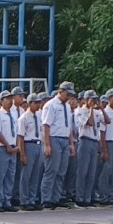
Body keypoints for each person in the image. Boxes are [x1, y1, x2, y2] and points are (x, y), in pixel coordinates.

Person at [41, 81, 75, 209]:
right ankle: (46, 198)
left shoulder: (66, 106)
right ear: (61, 91)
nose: (69, 97)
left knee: (61, 171)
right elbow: (46, 125)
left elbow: (69, 126)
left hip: (64, 139)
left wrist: (71, 143)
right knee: (51, 170)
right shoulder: (51, 105)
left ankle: (56, 197)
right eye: (68, 93)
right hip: (54, 138)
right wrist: (47, 144)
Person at [0, 91, 20, 212]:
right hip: (1, 148)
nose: (10, 101)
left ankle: (7, 201)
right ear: (1, 101)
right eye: (7, 99)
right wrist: (7, 145)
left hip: (12, 148)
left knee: (9, 177)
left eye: (11, 98)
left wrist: (15, 145)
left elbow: (16, 132)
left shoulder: (13, 115)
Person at [18, 93, 45, 210]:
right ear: (29, 103)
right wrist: (23, 154)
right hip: (28, 145)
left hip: (38, 144)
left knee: (36, 174)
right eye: (36, 103)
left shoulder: (39, 117)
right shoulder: (24, 118)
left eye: (39, 102)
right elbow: (21, 137)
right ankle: (24, 200)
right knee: (26, 175)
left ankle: (32, 199)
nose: (38, 105)